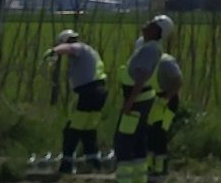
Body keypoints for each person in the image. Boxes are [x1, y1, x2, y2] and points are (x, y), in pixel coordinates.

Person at [114, 15, 171, 183]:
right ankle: (139, 177)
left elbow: (142, 75)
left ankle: (125, 179)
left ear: (157, 31)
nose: (146, 25)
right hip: (142, 99)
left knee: (124, 140)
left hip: (137, 100)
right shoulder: (149, 47)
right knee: (138, 139)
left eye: (151, 24)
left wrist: (130, 101)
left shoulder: (150, 49)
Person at [46, 30, 109, 174]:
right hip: (99, 92)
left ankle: (67, 165)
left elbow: (69, 48)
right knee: (88, 129)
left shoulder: (79, 47)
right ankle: (93, 163)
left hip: (88, 93)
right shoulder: (89, 51)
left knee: (72, 129)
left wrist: (54, 51)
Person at [146, 50, 183, 180]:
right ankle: (150, 166)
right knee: (151, 133)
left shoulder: (166, 62)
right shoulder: (150, 62)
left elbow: (178, 81)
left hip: (168, 102)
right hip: (155, 101)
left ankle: (161, 168)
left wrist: (166, 98)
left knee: (160, 132)